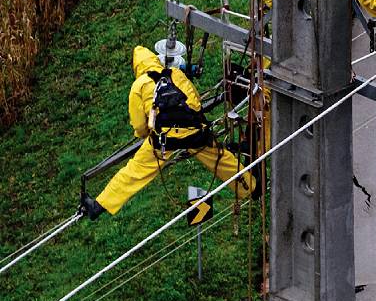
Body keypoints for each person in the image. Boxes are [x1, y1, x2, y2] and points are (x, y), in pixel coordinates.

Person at [80, 45, 256, 220]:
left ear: (136, 67)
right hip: (194, 132)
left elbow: (140, 125)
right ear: (155, 59)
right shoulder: (175, 73)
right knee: (221, 159)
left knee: (135, 172)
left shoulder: (139, 85)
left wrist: (147, 135)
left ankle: (99, 205)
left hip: (164, 139)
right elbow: (195, 101)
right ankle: (251, 188)